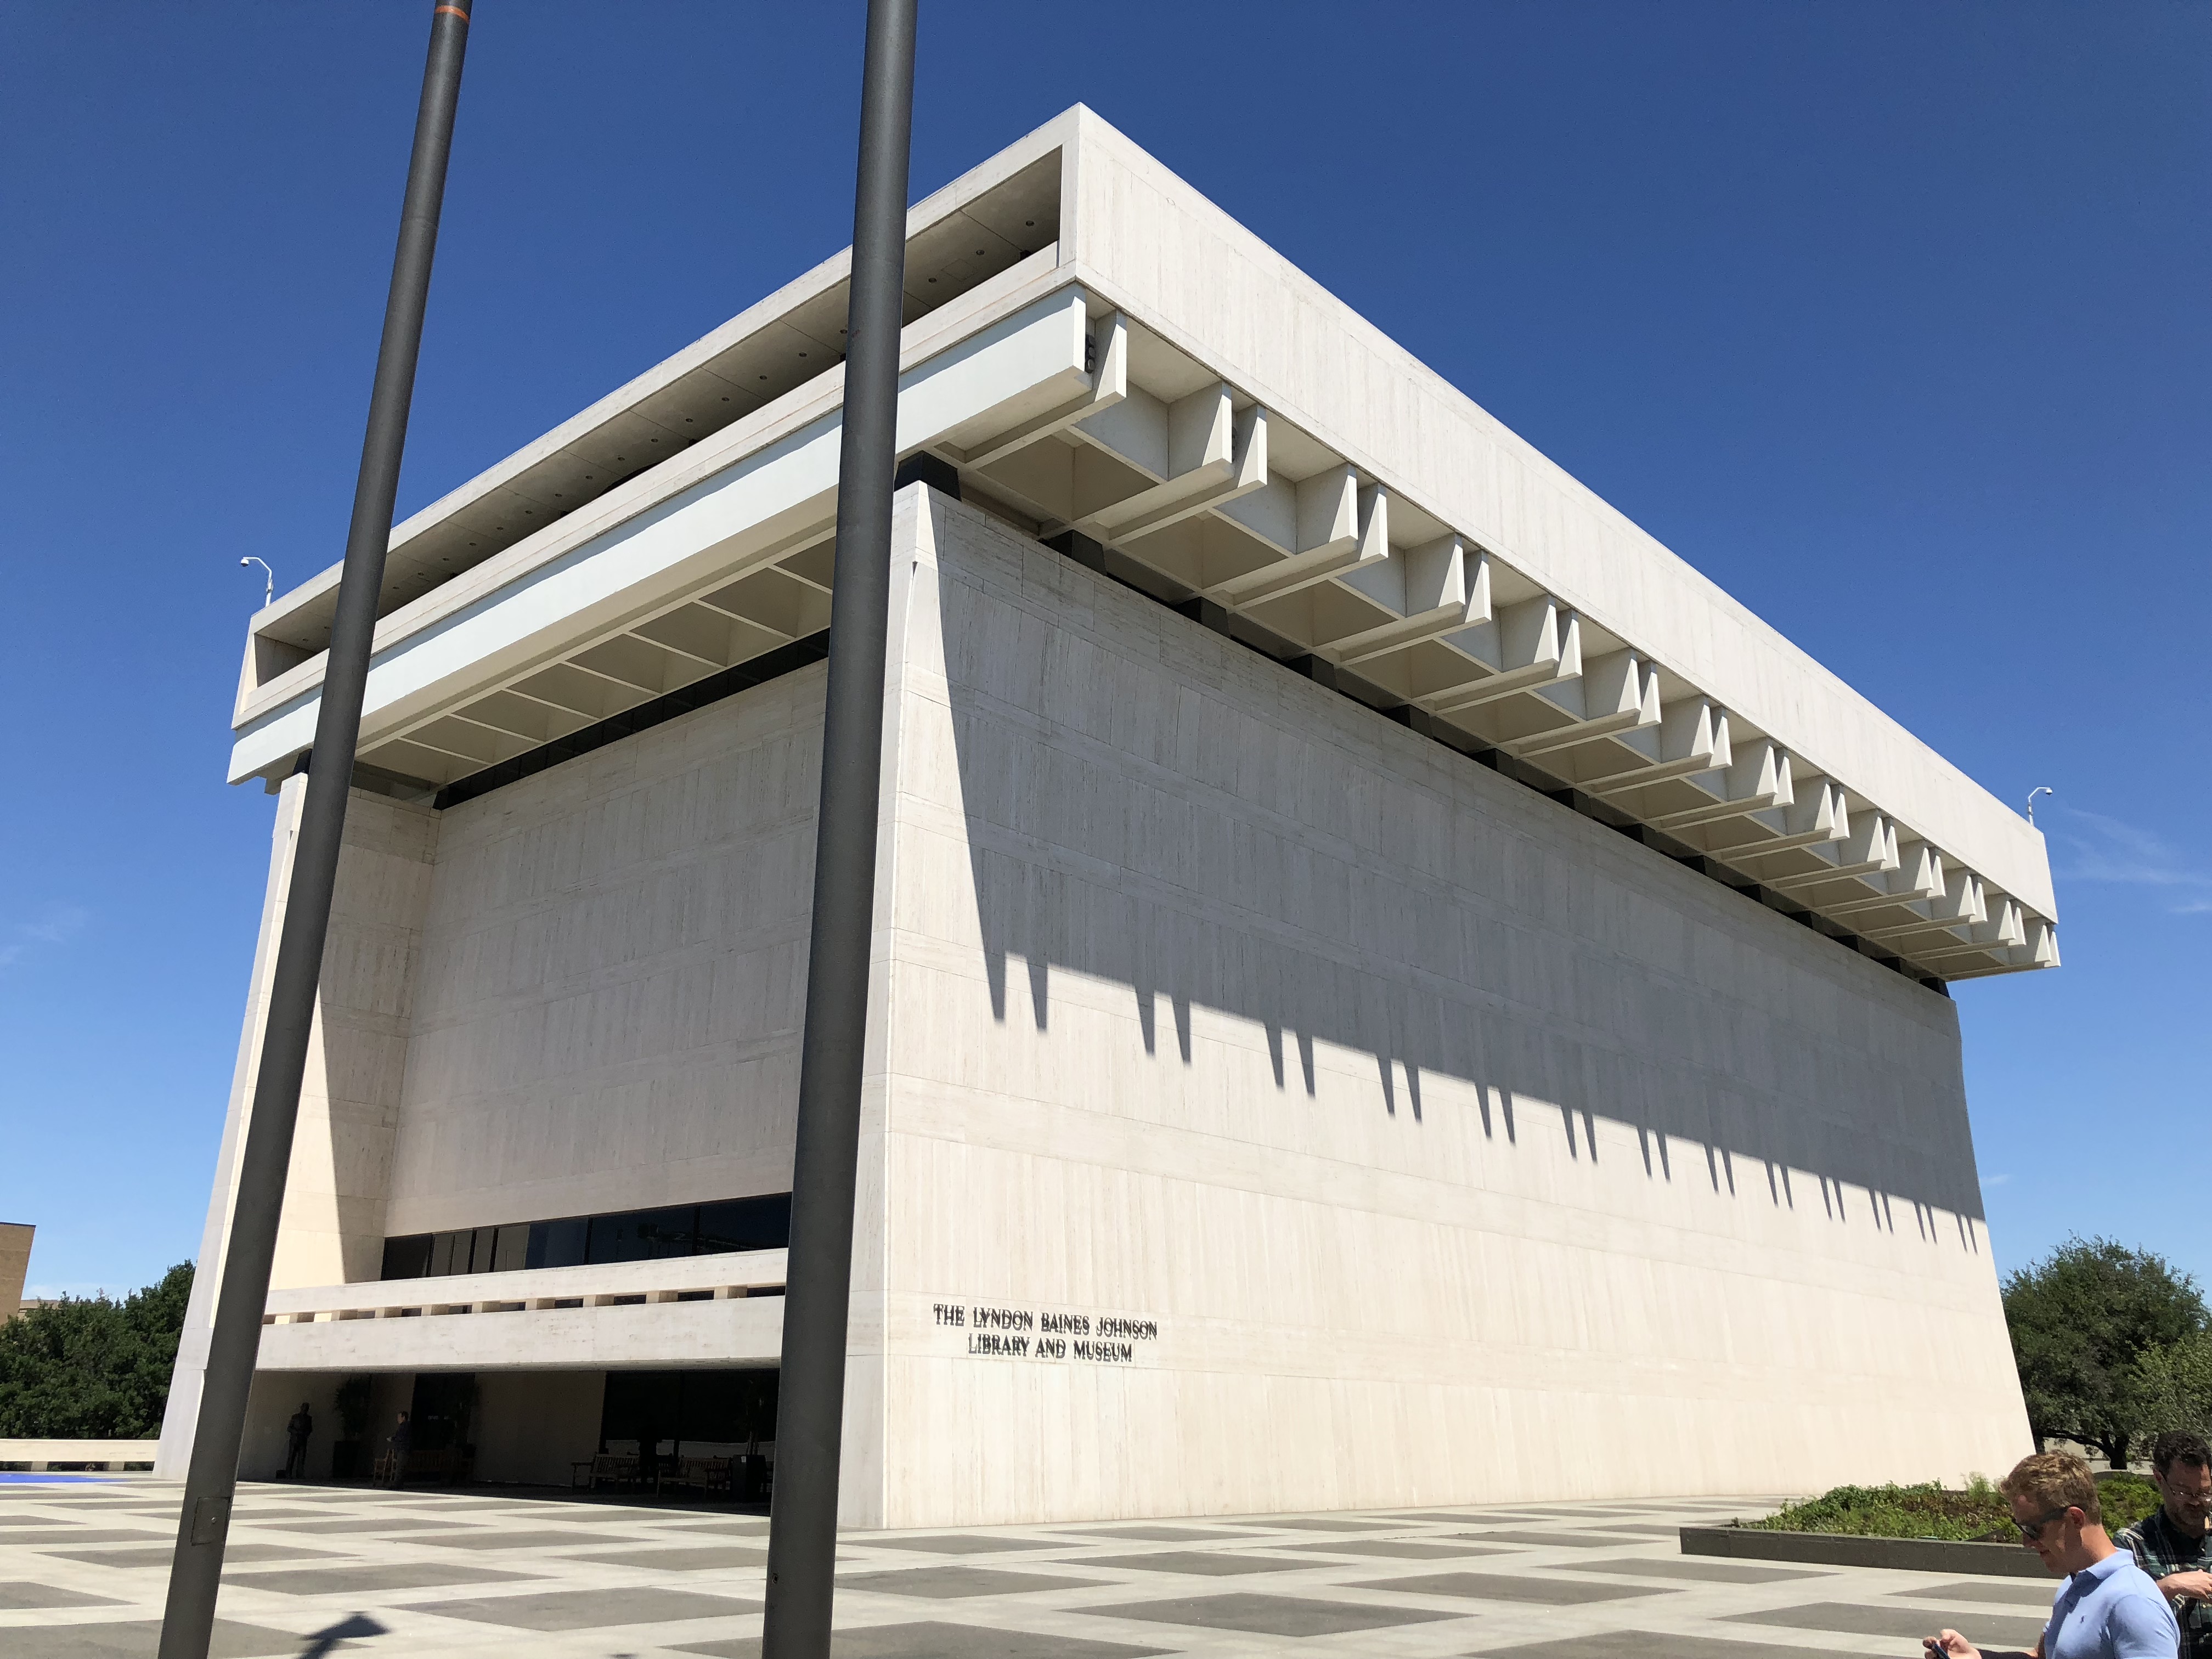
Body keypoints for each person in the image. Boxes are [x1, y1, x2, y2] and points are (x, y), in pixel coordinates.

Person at [1927, 1452, 2178, 1659]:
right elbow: (2042, 1655)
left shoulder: (2133, 1603)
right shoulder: (2074, 1584)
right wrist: (1977, 1657)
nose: (2026, 1542)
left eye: (2033, 1529)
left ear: (2075, 1518)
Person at [2121, 1430, 2212, 1657]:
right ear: (2159, 1479)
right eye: (2183, 1492)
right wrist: (2167, 1588)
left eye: (2205, 1492)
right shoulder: (2133, 1544)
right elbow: (2113, 1614)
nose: (2196, 1502)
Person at [283, 1402, 313, 1480]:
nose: (305, 1410)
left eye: (307, 1408)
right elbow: (289, 1428)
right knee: (291, 1458)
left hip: (303, 1440)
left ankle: (299, 1474)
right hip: (294, 1440)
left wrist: (305, 1434)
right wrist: (296, 1432)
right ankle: (288, 1473)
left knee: (302, 1458)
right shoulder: (295, 1417)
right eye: (304, 1408)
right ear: (301, 1408)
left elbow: (310, 1429)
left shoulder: (309, 1418)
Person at [382, 1409, 413, 1489]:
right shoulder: (406, 1426)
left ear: (404, 1417)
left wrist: (393, 1439)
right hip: (404, 1449)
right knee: (400, 1467)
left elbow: (400, 1438)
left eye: (399, 1417)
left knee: (400, 1467)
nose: (398, 1419)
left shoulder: (404, 1426)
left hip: (403, 1449)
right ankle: (398, 1484)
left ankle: (397, 1484)